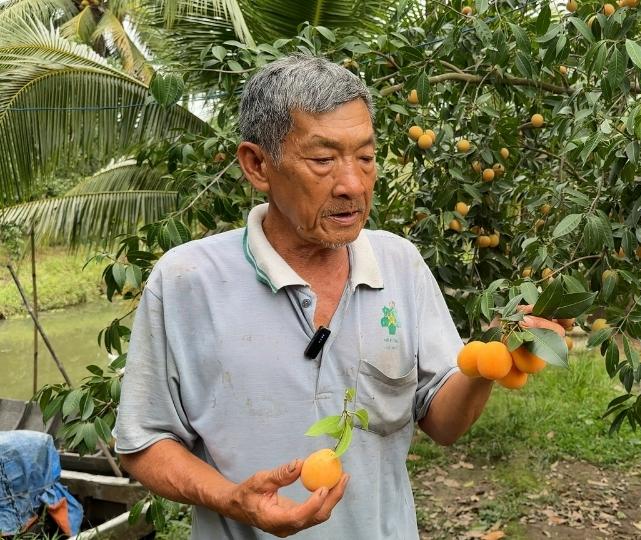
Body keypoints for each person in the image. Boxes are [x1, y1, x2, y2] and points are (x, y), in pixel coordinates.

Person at [112, 55, 565, 539]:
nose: (352, 184)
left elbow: (444, 424)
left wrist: (485, 363)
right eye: (323, 160)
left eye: (366, 158)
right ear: (258, 164)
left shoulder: (400, 265)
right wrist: (233, 501)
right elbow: (143, 443)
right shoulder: (187, 280)